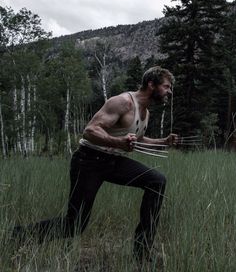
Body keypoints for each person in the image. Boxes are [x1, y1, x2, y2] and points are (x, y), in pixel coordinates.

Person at [13, 65, 177, 263]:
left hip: (113, 161)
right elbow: (90, 131)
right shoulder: (123, 102)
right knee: (74, 224)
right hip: (89, 161)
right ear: (151, 84)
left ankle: (142, 251)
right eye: (167, 86)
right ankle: (16, 235)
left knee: (157, 181)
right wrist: (118, 143)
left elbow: (137, 139)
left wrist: (163, 142)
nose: (169, 91)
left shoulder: (146, 112)